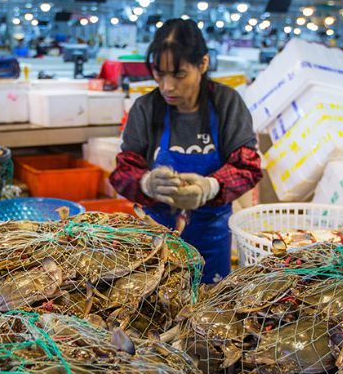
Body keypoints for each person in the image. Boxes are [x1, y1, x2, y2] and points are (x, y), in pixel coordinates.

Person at [110, 18, 263, 282]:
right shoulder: (145, 108)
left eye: (179, 75)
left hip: (211, 236)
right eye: (159, 73)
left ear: (202, 64)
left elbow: (247, 165)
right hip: (155, 238)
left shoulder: (226, 104)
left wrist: (210, 187)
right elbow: (124, 169)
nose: (168, 86)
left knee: (209, 305)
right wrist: (146, 183)